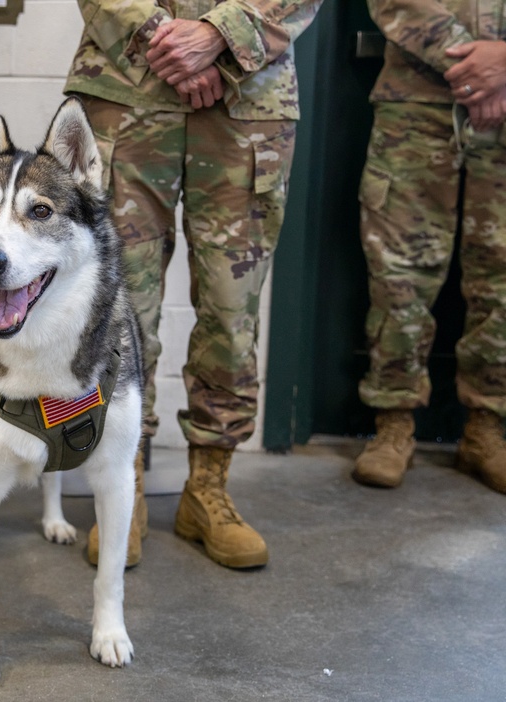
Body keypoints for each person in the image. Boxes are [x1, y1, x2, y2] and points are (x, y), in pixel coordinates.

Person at [65, 0, 323, 569]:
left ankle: (209, 489)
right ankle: (122, 486)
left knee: (233, 313)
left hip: (250, 96)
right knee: (118, 308)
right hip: (126, 88)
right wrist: (166, 40)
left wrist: (219, 36)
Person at [352, 1, 506, 495]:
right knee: (399, 273)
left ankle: (486, 431)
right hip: (417, 105)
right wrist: (475, 71)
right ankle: (393, 422)